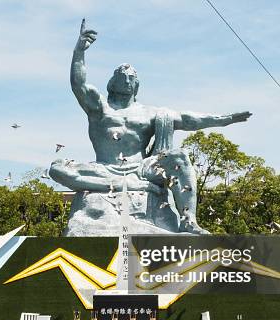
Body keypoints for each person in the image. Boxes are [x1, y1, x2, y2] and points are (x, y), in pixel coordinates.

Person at [49, 19, 252, 234]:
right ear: (112, 82)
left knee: (179, 158)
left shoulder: (150, 113)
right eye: (122, 77)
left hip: (141, 169)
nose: (127, 80)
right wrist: (79, 50)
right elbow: (78, 84)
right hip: (104, 167)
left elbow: (189, 119)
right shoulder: (100, 107)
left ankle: (188, 220)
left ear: (137, 84)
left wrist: (224, 119)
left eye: (131, 78)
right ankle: (109, 184)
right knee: (58, 168)